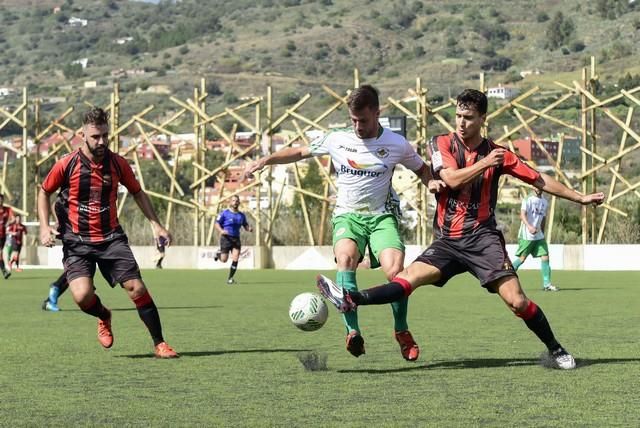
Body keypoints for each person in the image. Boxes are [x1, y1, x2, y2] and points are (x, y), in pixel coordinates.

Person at [317, 89, 605, 370]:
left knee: (517, 302)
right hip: (448, 242)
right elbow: (452, 179)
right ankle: (352, 298)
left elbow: (538, 179)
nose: (461, 123)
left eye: (468, 117)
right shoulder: (441, 143)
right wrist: (483, 164)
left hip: (483, 239)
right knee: (406, 279)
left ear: (482, 119)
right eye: (457, 116)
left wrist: (579, 197)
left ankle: (555, 347)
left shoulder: (497, 154)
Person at [245, 84, 441, 360]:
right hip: (348, 215)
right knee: (346, 259)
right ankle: (353, 332)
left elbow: (421, 168)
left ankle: (401, 330)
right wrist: (267, 159)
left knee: (395, 272)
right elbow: (300, 152)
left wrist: (432, 182)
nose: (358, 126)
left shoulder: (396, 144)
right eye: (353, 120)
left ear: (377, 113)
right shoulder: (336, 139)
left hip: (381, 216)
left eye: (363, 120)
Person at [38, 107, 179, 358]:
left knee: (136, 288)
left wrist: (156, 224)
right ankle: (104, 315)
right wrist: (44, 226)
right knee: (82, 297)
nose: (101, 141)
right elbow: (44, 191)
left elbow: (137, 191)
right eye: (95, 136)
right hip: (76, 241)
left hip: (111, 238)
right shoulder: (67, 164)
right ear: (82, 135)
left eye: (105, 135)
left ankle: (160, 343)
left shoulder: (117, 164)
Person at [512, 188, 558, 291]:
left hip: (539, 236)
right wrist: (529, 227)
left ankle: (547, 284)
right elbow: (522, 215)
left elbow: (543, 218)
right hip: (527, 235)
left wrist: (542, 232)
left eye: (540, 186)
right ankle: (505, 275)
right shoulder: (528, 199)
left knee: (545, 257)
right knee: (522, 259)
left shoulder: (544, 202)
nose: (538, 188)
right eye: (536, 186)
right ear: (533, 187)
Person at [213, 195, 253, 285]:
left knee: (236, 258)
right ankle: (218, 253)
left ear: (238, 203)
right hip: (226, 238)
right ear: (230, 202)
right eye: (233, 200)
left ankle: (230, 279)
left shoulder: (241, 215)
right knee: (224, 260)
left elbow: (245, 225)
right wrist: (222, 231)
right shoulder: (224, 213)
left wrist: (249, 228)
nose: (235, 202)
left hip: (236, 239)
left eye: (236, 201)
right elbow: (217, 224)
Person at [0, 193, 15, 279]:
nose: (0, 201)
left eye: (1, 199)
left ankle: (4, 271)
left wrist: (8, 223)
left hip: (2, 236)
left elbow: (13, 219)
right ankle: (4, 272)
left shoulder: (7, 209)